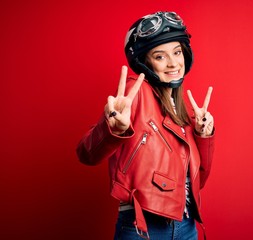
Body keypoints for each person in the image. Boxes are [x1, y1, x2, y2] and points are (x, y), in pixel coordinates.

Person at [76, 11, 215, 240]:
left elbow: (199, 182)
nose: (173, 63)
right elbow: (85, 154)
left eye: (177, 52)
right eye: (160, 56)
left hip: (186, 226)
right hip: (145, 228)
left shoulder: (181, 112)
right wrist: (114, 130)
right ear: (144, 62)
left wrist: (203, 135)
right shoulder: (136, 92)